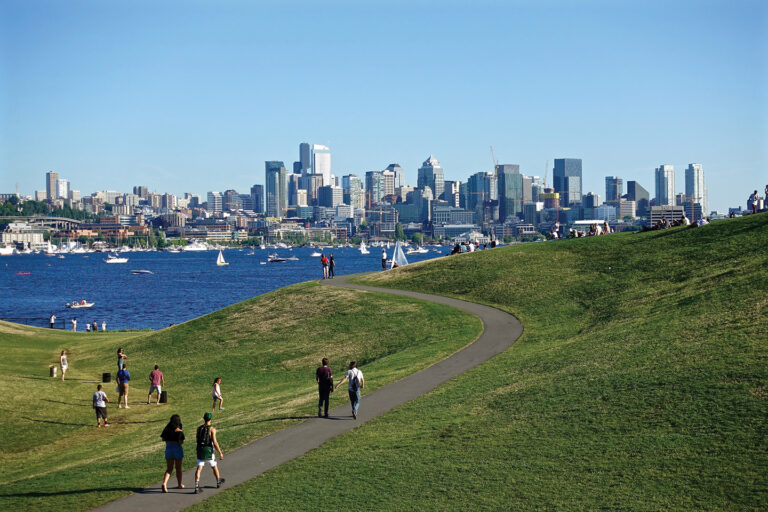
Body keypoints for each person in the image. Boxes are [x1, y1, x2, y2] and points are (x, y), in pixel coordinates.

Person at [194, 412, 225, 494]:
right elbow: (214, 442)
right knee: (214, 466)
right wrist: (220, 453)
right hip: (208, 450)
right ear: (210, 419)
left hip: (200, 450)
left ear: (203, 418)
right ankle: (218, 481)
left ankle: (196, 486)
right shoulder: (212, 429)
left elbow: (197, 439)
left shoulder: (199, 428)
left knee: (199, 468)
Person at [160, 414, 185, 492]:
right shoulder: (179, 431)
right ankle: (179, 484)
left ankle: (164, 483)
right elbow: (181, 442)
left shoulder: (167, 429)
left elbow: (163, 439)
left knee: (169, 468)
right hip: (177, 449)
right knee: (178, 468)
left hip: (168, 449)